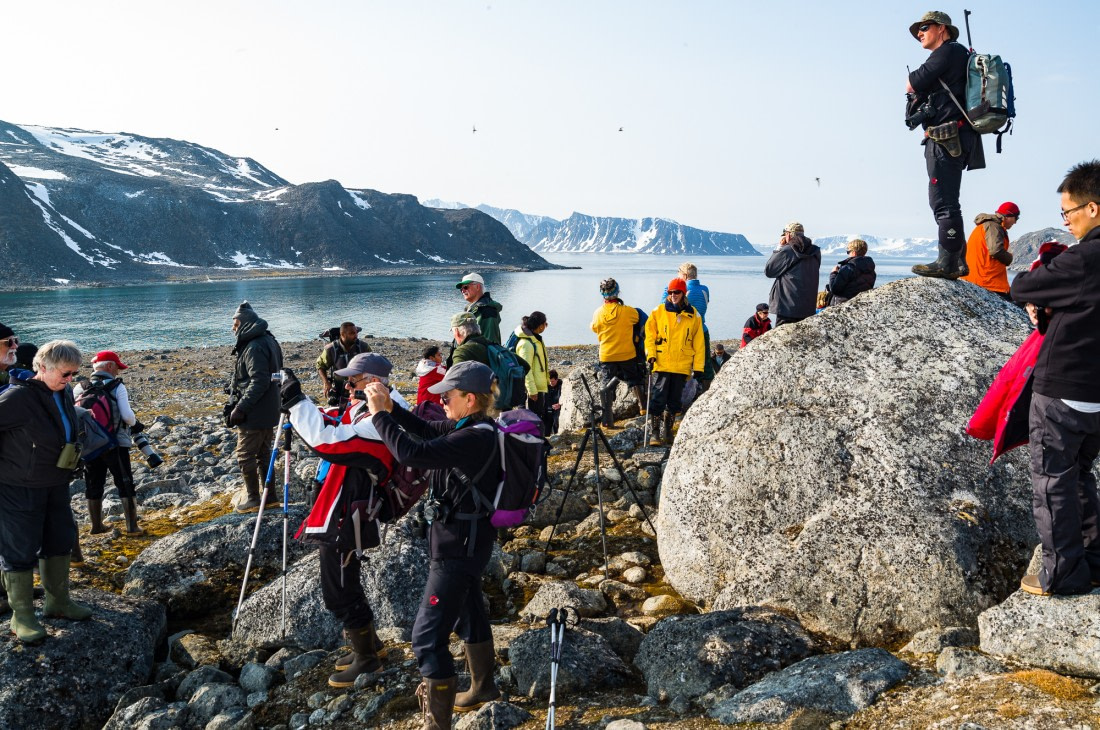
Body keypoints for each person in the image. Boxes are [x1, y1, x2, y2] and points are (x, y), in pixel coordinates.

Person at [363, 361, 503, 728]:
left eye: (448, 397)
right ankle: (483, 687)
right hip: (468, 544)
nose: (441, 402)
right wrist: (394, 409)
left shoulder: (474, 438)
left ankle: (436, 725)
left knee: (426, 638)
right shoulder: (473, 427)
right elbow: (425, 430)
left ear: (470, 399)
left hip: (458, 548)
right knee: (469, 611)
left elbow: (413, 453)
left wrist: (379, 417)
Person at [281, 353, 408, 687]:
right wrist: (304, 405)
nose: (347, 386)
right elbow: (339, 421)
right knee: (345, 577)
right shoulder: (374, 409)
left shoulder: (381, 420)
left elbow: (329, 441)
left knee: (338, 588)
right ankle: (370, 646)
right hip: (351, 507)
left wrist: (295, 401)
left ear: (376, 382)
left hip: (348, 513)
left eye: (355, 380)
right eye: (347, 380)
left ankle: (367, 659)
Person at [1008, 160, 1100, 596]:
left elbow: (1024, 287)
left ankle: (1062, 573)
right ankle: (1095, 560)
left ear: (1093, 209)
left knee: (1052, 480)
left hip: (1064, 386)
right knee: (1080, 473)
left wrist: (1044, 303)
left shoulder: (1084, 258)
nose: (1066, 221)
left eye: (1069, 213)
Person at [0, 340, 93, 643]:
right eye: (66, 374)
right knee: (20, 547)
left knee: (60, 537)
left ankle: (58, 603)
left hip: (56, 480)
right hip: (19, 485)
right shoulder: (17, 397)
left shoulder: (62, 391)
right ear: (42, 367)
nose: (71, 380)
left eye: (74, 374)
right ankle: (22, 616)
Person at [906, 11, 985, 279]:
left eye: (924, 28)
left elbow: (912, 82)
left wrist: (914, 90)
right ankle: (958, 261)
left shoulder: (946, 52)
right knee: (950, 199)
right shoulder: (959, 54)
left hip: (945, 137)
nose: (920, 33)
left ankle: (947, 262)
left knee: (942, 200)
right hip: (960, 136)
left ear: (942, 29)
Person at [76, 351, 144, 536]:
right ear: (109, 366)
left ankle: (96, 526)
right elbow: (128, 417)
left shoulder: (80, 387)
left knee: (93, 482)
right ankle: (132, 527)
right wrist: (136, 424)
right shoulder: (117, 386)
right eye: (117, 368)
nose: (118, 372)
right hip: (116, 443)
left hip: (91, 444)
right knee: (124, 482)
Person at [228, 301, 284, 513]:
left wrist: (241, 407)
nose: (233, 328)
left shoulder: (253, 347)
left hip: (256, 412)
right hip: (270, 409)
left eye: (235, 324)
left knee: (245, 454)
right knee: (264, 453)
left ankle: (253, 497)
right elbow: (273, 376)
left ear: (244, 323)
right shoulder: (268, 340)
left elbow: (259, 380)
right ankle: (270, 497)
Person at [645, 278, 705, 446]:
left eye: (676, 292)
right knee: (658, 397)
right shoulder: (658, 312)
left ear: (683, 293)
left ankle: (668, 431)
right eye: (670, 292)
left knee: (674, 400)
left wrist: (699, 367)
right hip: (662, 362)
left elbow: (699, 343)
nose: (673, 295)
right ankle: (655, 432)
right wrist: (650, 354)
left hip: (682, 365)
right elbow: (649, 335)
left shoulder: (693, 315)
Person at [591, 278, 644, 427]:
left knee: (606, 385)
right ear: (617, 292)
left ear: (602, 294)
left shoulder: (598, 313)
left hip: (607, 355)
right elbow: (637, 318)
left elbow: (594, 328)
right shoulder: (628, 311)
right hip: (627, 353)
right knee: (635, 378)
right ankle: (643, 407)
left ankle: (607, 420)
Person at [765, 222, 821, 326]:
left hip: (787, 307)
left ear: (788, 234)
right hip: (808, 307)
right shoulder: (815, 251)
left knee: (782, 339)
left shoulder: (788, 250)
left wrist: (779, 248)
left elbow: (769, 270)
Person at [961, 202, 1019, 299]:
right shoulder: (993, 226)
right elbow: (995, 250)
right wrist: (1009, 258)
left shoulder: (985, 225)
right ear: (1008, 216)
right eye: (1016, 218)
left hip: (975, 278)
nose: (1015, 222)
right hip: (987, 282)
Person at [316, 322, 371, 410]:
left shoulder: (363, 347)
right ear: (342, 334)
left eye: (356, 332)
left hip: (359, 388)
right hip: (339, 388)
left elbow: (372, 365)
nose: (356, 335)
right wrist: (326, 383)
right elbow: (320, 366)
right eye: (352, 333)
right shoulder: (331, 349)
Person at [513, 311, 549, 419]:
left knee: (537, 417)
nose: (546, 326)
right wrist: (532, 390)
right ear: (540, 325)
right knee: (532, 418)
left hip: (537, 386)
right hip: (531, 390)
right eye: (545, 324)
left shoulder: (535, 339)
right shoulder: (526, 344)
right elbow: (526, 370)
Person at [456, 273, 502, 345]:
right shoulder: (471, 308)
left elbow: (490, 343)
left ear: (477, 287)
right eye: (461, 289)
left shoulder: (488, 311)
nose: (463, 291)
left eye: (465, 287)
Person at [828, 239, 878, 305]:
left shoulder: (849, 268)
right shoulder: (870, 269)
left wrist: (833, 273)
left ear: (854, 252)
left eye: (848, 252)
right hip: (860, 304)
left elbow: (835, 289)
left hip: (843, 305)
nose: (848, 254)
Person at [544, 369, 562, 435]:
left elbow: (566, 397)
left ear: (557, 379)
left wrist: (560, 404)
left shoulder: (562, 386)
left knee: (556, 423)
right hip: (547, 410)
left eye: (553, 381)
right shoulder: (546, 386)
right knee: (546, 429)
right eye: (550, 381)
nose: (551, 383)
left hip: (557, 410)